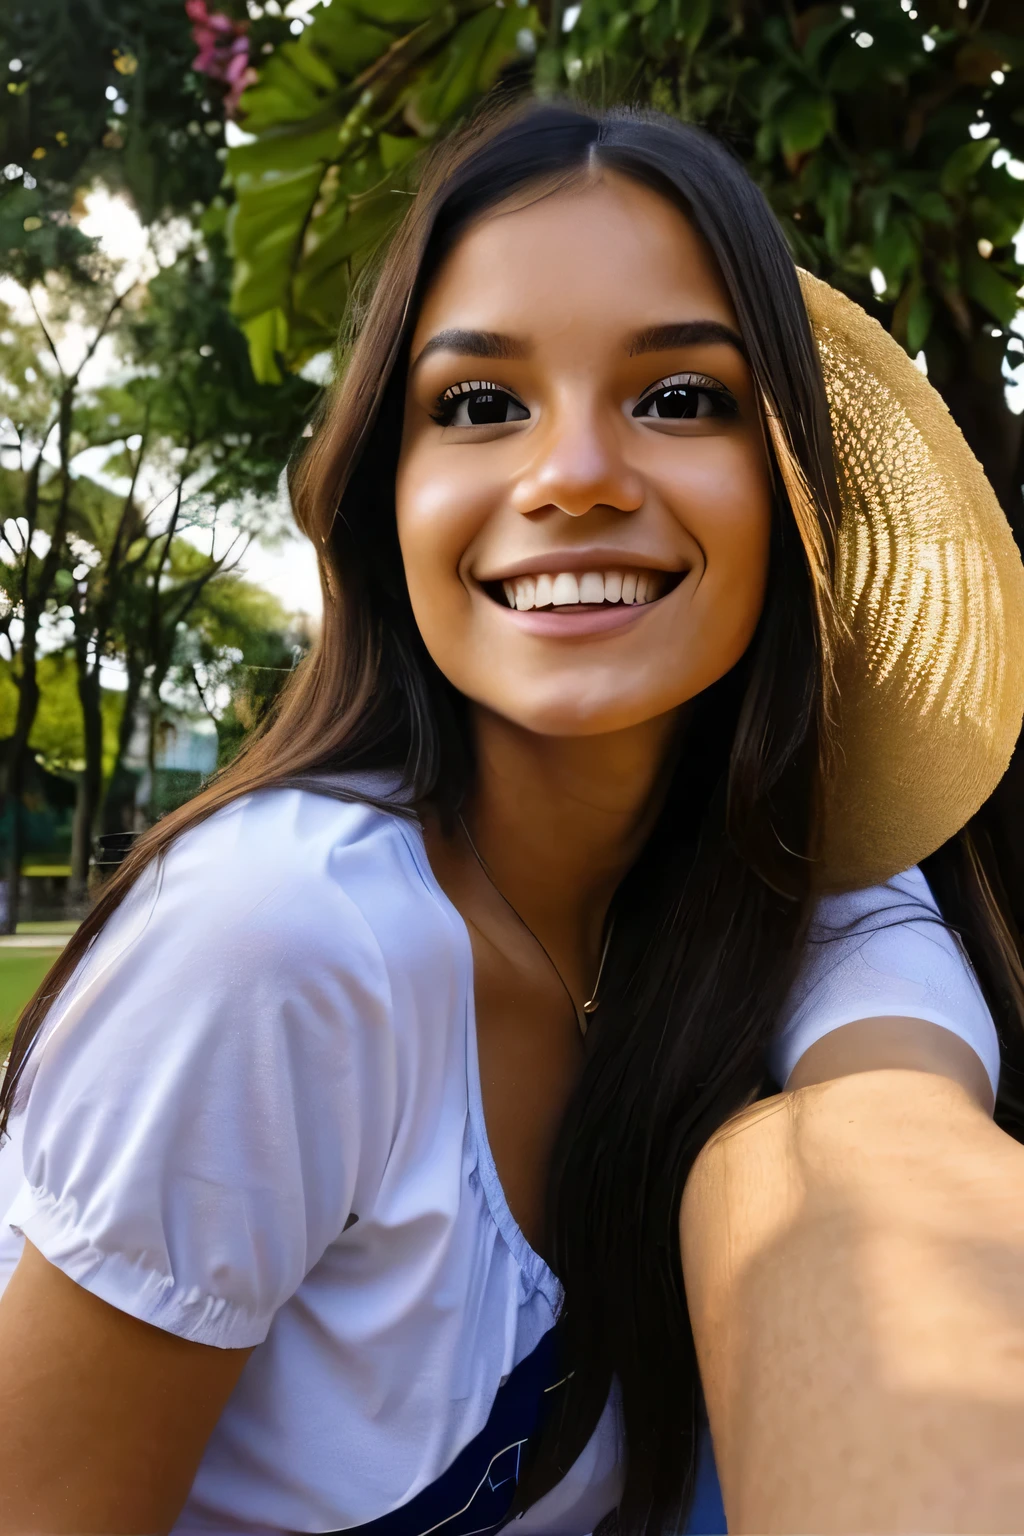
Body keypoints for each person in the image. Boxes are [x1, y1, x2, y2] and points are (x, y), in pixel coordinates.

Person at [1, 101, 1024, 1536]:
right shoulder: (276, 949)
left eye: (681, 398)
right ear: (388, 497)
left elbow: (891, 1125)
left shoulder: (791, 885)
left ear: (793, 496)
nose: (575, 476)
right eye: (481, 406)